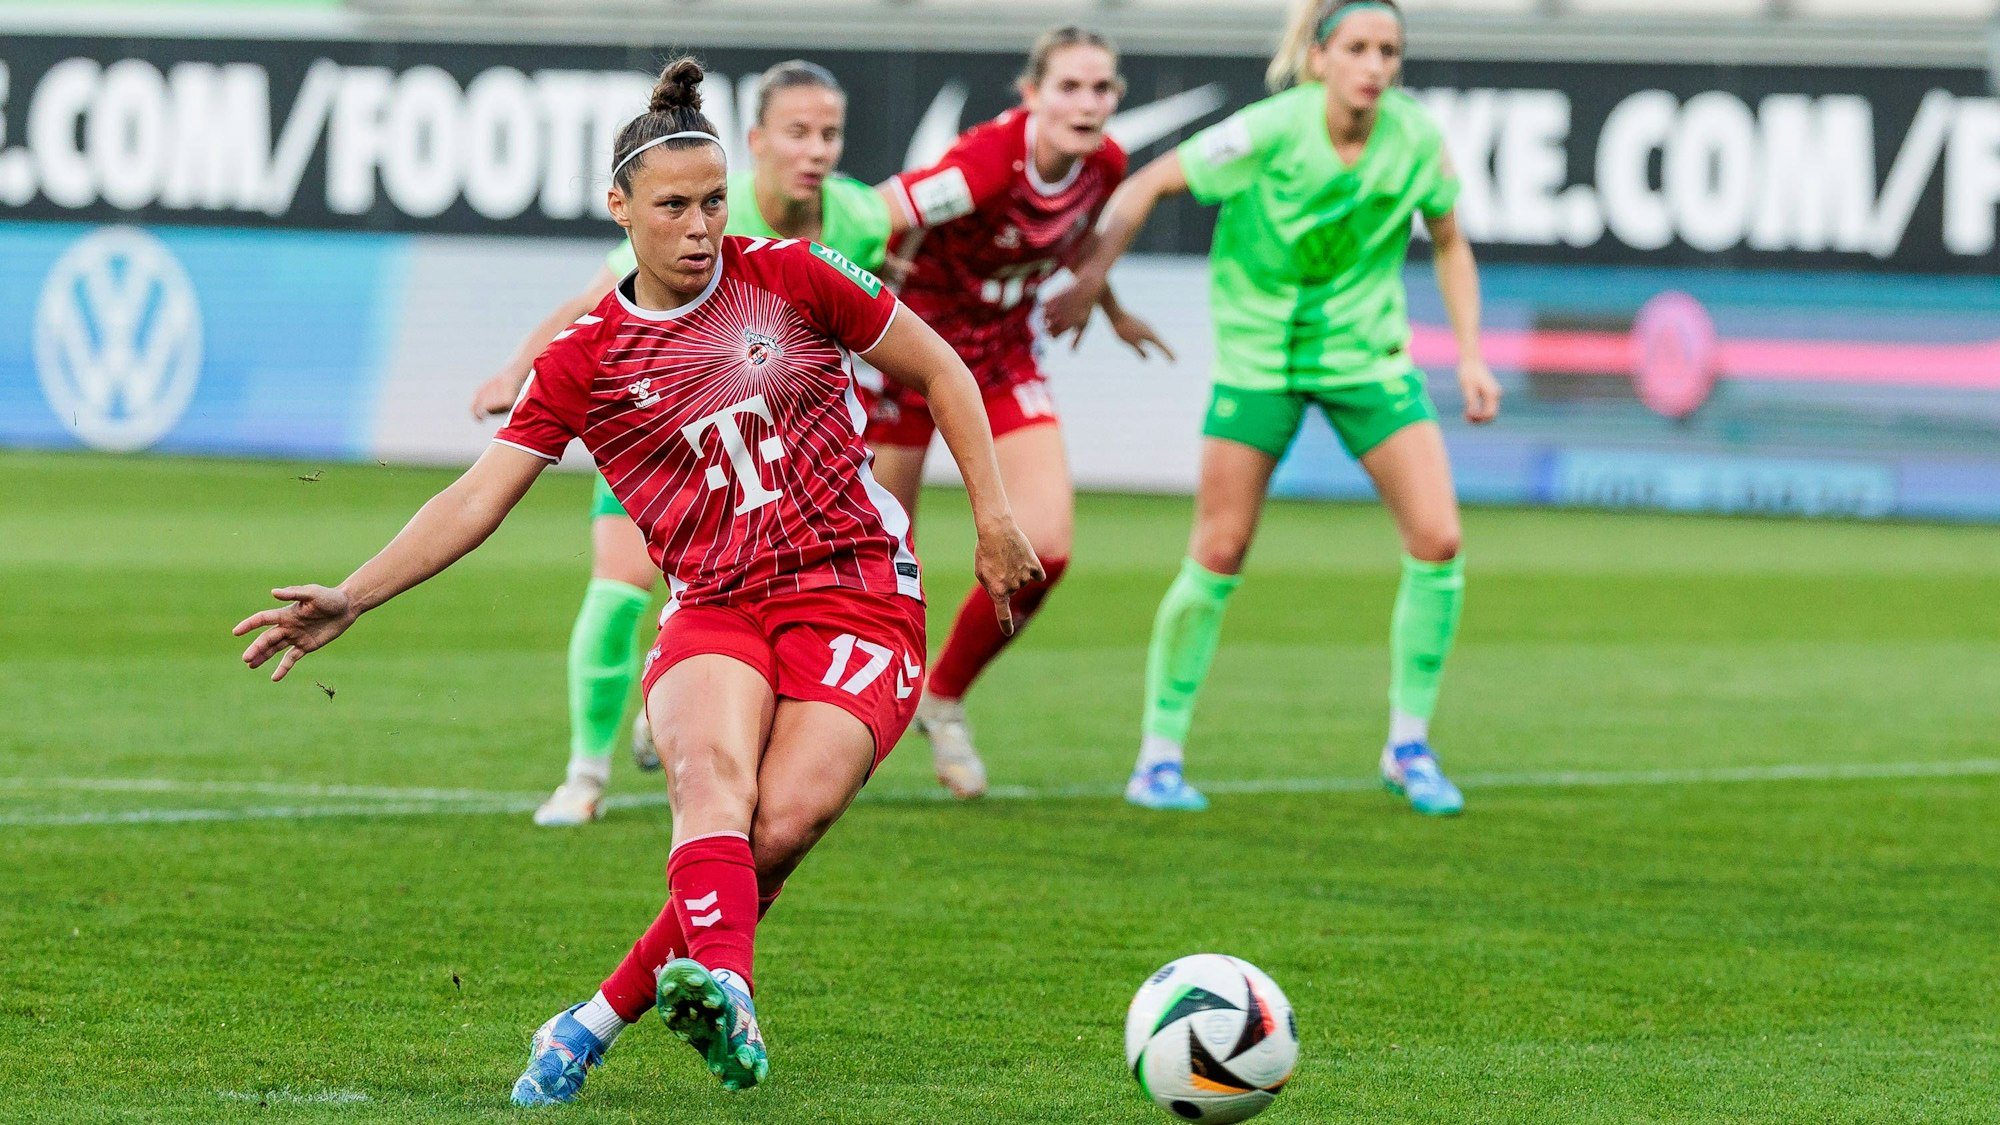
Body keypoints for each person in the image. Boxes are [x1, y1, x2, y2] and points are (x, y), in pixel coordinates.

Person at [235, 59, 1039, 1103]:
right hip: (714, 603)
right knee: (707, 779)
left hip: (858, 592)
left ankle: (592, 1016)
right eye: (672, 206)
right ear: (617, 208)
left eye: (711, 201)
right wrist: (355, 591)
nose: (700, 225)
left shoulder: (797, 275)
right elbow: (476, 500)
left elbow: (939, 369)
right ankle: (731, 998)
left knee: (781, 828)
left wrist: (992, 516)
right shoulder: (585, 360)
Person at [1046, 0, 1501, 814]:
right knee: (1219, 549)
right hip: (1261, 358)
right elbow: (1149, 181)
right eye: (1358, 47)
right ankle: (1157, 756)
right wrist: (1091, 281)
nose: (1375, 65)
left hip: (1367, 357)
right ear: (1320, 58)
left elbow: (1451, 238)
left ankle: (1409, 745)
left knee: (1439, 538)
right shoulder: (1268, 131)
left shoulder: (1417, 138)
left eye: (1388, 50)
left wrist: (1470, 351)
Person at [468, 60, 895, 827]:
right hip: (650, 435)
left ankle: (697, 716)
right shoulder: (680, 219)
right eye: (798, 131)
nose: (817, 148)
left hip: (767, 451)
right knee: (618, 584)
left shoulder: (858, 219)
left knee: (751, 604)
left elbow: (878, 297)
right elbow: (591, 306)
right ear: (758, 140)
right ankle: (584, 773)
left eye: (830, 133)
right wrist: (515, 368)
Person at [870, 26, 1171, 799]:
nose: (1089, 102)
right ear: (1032, 95)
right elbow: (880, 210)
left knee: (1047, 546)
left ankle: (942, 698)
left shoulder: (1102, 164)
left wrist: (1110, 306)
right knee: (869, 559)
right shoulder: (982, 165)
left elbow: (1067, 243)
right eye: (1069, 87)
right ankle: (756, 685)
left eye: (1102, 88)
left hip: (1003, 357)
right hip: (912, 353)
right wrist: (868, 274)